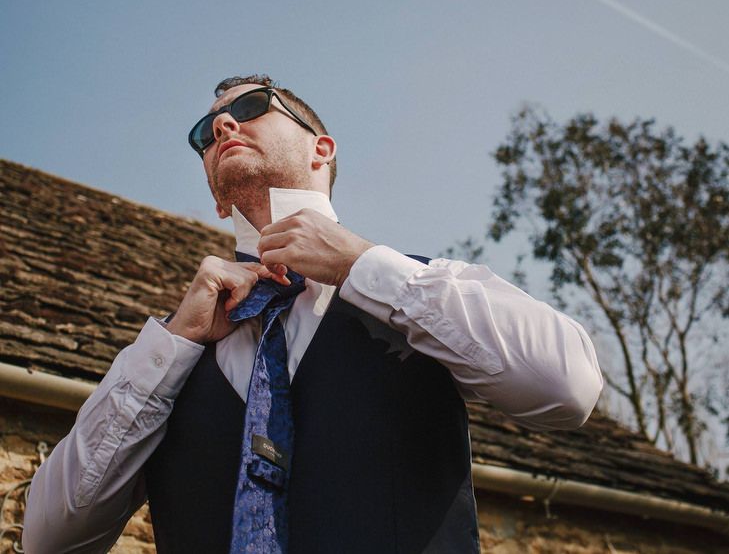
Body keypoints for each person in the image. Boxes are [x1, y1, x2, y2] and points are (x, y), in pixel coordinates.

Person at [23, 74, 603, 554]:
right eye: (205, 132)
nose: (223, 125)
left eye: (250, 107)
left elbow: (569, 388)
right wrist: (175, 343)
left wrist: (362, 264)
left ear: (320, 148)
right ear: (215, 194)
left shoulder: (420, 292)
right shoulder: (171, 358)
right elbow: (49, 539)